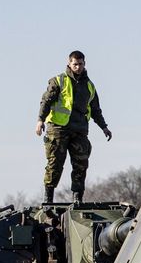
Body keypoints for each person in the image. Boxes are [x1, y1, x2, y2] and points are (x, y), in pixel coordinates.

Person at [36, 50, 112, 204]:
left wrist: (104, 127)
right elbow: (46, 101)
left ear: (84, 64)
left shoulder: (89, 86)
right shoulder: (58, 81)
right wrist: (40, 120)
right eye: (75, 64)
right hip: (58, 128)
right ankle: (48, 198)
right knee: (55, 163)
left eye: (80, 64)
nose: (78, 67)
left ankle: (77, 197)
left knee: (81, 164)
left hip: (79, 130)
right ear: (69, 63)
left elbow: (96, 109)